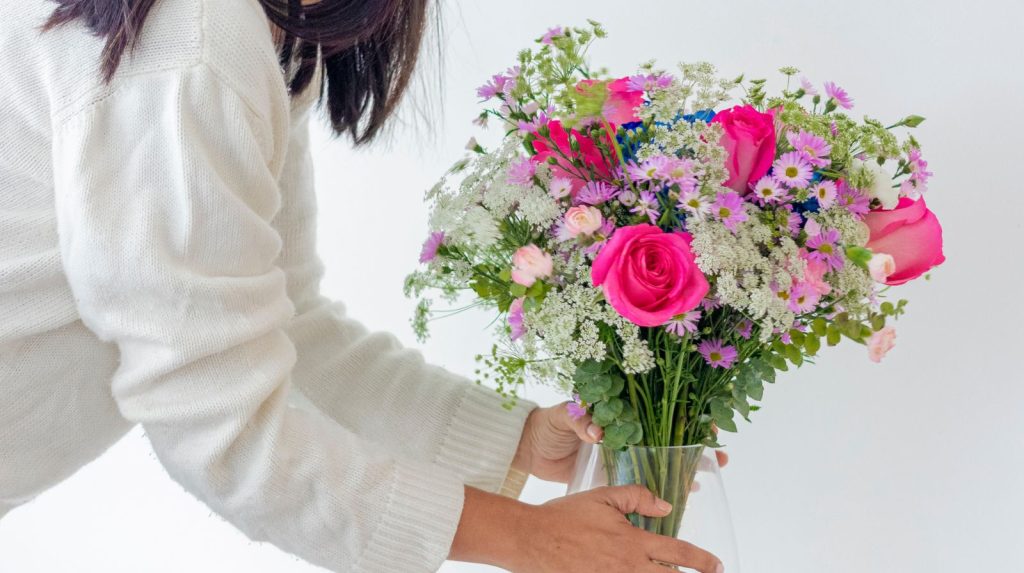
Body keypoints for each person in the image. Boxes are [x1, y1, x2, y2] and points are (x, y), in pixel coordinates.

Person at [0, 1, 726, 572]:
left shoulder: (258, 33)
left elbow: (286, 330)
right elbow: (218, 420)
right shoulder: (194, 39)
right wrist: (528, 537)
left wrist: (518, 439)